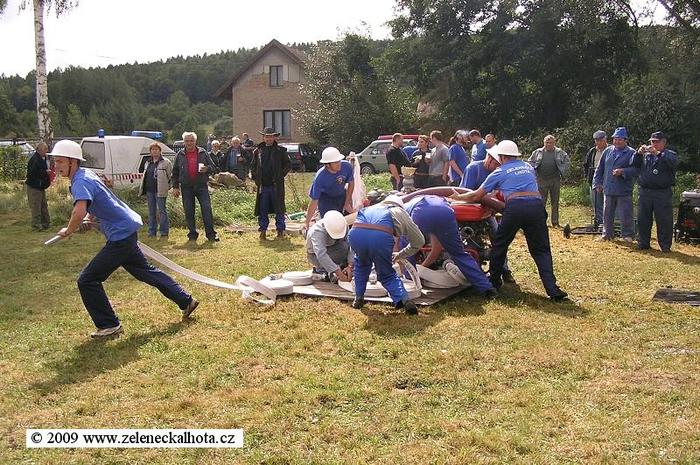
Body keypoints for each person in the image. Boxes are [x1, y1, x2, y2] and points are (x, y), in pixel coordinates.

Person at [50, 140, 198, 338]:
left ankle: (109, 324)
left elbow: (79, 210)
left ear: (72, 161)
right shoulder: (86, 175)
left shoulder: (80, 181)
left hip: (120, 236)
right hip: (125, 230)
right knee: (146, 272)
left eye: (60, 161)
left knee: (87, 280)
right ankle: (186, 301)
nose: (56, 166)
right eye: (55, 161)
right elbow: (98, 201)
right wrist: (88, 219)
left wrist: (69, 230)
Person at [451, 140, 568, 302]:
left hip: (515, 208)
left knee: (500, 246)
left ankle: (493, 284)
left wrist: (458, 197)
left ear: (502, 157)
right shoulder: (527, 166)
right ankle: (553, 290)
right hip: (536, 206)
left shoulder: (499, 172)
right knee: (541, 250)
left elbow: (477, 195)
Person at [403, 195, 498, 297]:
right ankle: (487, 289)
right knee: (459, 254)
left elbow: (400, 249)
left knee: (408, 252)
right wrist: (422, 268)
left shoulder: (400, 211)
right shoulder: (435, 199)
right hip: (445, 212)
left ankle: (412, 286)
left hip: (420, 213)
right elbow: (436, 249)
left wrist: (413, 271)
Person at [347, 195, 425, 314]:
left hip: (356, 235)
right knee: (386, 273)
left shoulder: (370, 208)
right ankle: (404, 300)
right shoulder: (400, 212)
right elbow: (419, 241)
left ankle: (358, 299)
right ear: (399, 206)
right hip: (380, 237)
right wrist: (401, 254)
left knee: (361, 265)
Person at [460, 150, 515, 283]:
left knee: (498, 237)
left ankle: (504, 269)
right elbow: (465, 192)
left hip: (487, 212)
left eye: (499, 165)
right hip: (470, 212)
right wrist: (485, 198)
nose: (497, 168)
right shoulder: (473, 169)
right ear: (489, 158)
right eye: (495, 164)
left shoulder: (499, 172)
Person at [592, 127, 638, 243]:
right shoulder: (608, 151)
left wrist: (623, 171)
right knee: (607, 213)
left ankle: (627, 235)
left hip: (623, 189)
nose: (617, 142)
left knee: (625, 213)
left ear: (625, 140)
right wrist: (597, 183)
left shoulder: (631, 153)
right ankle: (607, 234)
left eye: (620, 139)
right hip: (609, 188)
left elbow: (636, 170)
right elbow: (600, 168)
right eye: (615, 139)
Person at [171, 131, 219, 242]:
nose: (189, 143)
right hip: (186, 187)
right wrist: (175, 187)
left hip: (201, 186)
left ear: (195, 141)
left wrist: (207, 169)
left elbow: (213, 167)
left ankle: (211, 234)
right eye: (187, 141)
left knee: (206, 209)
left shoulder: (203, 152)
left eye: (191, 141)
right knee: (189, 211)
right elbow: (175, 172)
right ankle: (192, 234)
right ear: (184, 142)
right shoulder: (180, 154)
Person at [634, 131, 678, 252]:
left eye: (656, 142)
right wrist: (638, 153)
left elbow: (672, 163)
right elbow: (634, 164)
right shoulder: (646, 155)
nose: (653, 144)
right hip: (645, 191)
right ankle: (643, 243)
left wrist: (658, 154)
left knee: (664, 220)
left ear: (663, 142)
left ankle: (665, 246)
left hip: (662, 192)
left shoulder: (669, 154)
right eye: (652, 142)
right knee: (643, 219)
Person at [251, 127, 290, 240]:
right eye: (267, 137)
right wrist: (256, 178)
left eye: (271, 137)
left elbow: (287, 164)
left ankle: (280, 231)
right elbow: (253, 166)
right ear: (263, 138)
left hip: (276, 186)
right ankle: (263, 230)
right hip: (263, 186)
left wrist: (280, 175)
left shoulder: (280, 151)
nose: (269, 139)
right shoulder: (258, 151)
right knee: (262, 209)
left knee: (279, 209)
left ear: (274, 138)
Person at [305, 147, 354, 228]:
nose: (339, 164)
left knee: (346, 223)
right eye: (335, 162)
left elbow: (351, 183)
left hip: (341, 195)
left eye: (339, 161)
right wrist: (307, 222)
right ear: (327, 164)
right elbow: (314, 201)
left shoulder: (347, 166)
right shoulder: (320, 177)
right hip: (326, 200)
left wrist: (347, 202)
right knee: (330, 225)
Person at [528, 135, 571, 227]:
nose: (548, 144)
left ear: (554, 143)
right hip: (541, 179)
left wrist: (563, 170)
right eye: (547, 142)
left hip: (555, 179)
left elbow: (567, 162)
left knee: (555, 202)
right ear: (544, 143)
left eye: (550, 143)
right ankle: (541, 222)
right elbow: (530, 162)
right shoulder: (538, 152)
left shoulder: (559, 152)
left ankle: (555, 222)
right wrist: (534, 171)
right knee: (541, 202)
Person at [306, 210, 353, 282]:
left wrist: (350, 265)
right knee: (341, 249)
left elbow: (350, 245)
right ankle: (321, 271)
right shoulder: (317, 231)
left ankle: (340, 267)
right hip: (315, 256)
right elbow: (321, 254)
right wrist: (338, 273)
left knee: (344, 247)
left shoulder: (343, 225)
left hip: (333, 248)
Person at [139, 142, 172, 238]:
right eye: (152, 149)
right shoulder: (147, 163)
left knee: (162, 211)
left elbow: (170, 177)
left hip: (160, 190)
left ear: (160, 151)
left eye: (156, 149)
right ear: (150, 151)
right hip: (149, 190)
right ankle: (152, 231)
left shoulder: (166, 162)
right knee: (151, 212)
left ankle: (164, 231)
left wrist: (167, 187)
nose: (154, 151)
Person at [583, 130, 609, 227]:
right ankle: (599, 222)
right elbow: (586, 164)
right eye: (597, 141)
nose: (599, 143)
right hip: (594, 180)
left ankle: (609, 223)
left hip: (607, 179)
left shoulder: (611, 150)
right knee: (596, 203)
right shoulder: (592, 151)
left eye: (601, 140)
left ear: (605, 139)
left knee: (608, 203)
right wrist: (587, 176)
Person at [25, 141, 51, 230]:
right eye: (45, 149)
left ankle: (46, 224)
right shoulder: (34, 159)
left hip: (41, 186)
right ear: (39, 149)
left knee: (44, 206)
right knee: (36, 206)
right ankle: (36, 226)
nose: (47, 150)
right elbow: (31, 173)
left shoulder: (44, 158)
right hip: (34, 186)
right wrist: (45, 172)